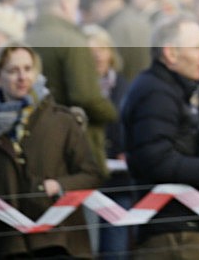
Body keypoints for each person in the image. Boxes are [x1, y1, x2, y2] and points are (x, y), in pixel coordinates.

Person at [120, 14, 199, 260]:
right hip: (173, 236)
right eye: (197, 47)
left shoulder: (165, 89)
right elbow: (157, 160)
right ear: (171, 54)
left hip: (179, 226)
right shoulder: (156, 94)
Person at [0, 43, 103, 258]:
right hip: (7, 242)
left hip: (57, 240)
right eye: (13, 70)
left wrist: (58, 185)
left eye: (27, 69)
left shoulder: (62, 121)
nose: (22, 77)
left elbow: (91, 174)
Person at [26, 0, 117, 179]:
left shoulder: (22, 41)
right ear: (64, 3)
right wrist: (112, 113)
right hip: (74, 147)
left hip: (32, 145)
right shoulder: (72, 41)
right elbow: (85, 96)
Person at [83, 24, 135, 259]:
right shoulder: (78, 92)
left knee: (116, 250)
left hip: (119, 183)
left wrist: (127, 149)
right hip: (87, 182)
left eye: (102, 49)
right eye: (90, 51)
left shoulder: (126, 88)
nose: (97, 56)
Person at [79, 0, 152, 83]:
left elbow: (113, 67)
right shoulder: (141, 20)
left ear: (102, 2)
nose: (94, 13)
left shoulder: (113, 28)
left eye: (93, 7)